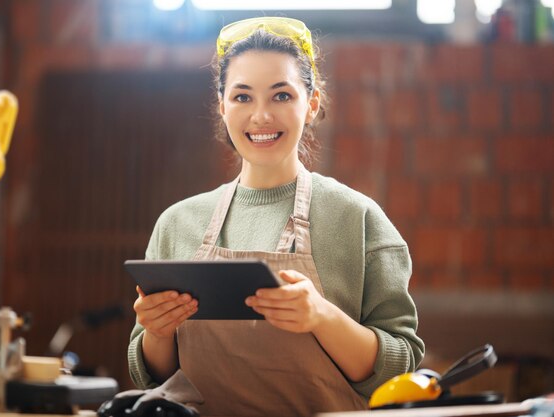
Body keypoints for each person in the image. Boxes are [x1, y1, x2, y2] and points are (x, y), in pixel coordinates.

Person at [128, 16, 424, 417]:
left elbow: (398, 368)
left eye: (281, 96)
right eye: (243, 97)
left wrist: (321, 316)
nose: (261, 116)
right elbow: (152, 375)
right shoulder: (178, 223)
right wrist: (158, 332)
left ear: (311, 104)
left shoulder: (358, 220)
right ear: (222, 106)